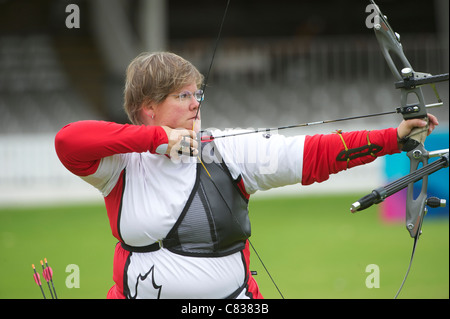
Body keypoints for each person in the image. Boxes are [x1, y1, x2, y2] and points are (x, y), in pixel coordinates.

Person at [54, 51, 438, 299]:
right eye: (182, 96)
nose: (196, 104)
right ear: (148, 108)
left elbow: (312, 154)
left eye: (197, 94)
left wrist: (393, 138)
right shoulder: (121, 165)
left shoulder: (227, 148)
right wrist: (158, 140)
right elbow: (69, 141)